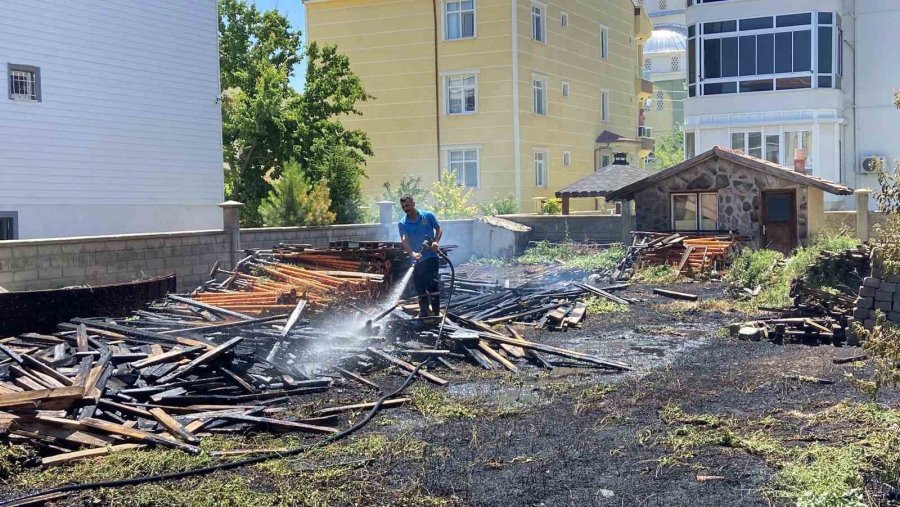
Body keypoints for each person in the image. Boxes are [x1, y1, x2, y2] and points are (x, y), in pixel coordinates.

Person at [397, 195, 443, 317]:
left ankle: (436, 314)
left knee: (433, 286)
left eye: (407, 205)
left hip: (431, 257)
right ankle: (424, 314)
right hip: (417, 260)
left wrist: (435, 241)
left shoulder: (427, 215)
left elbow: (438, 228)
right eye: (403, 207)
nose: (405, 208)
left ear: (413, 203)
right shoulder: (403, 223)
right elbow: (404, 239)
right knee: (420, 288)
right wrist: (412, 253)